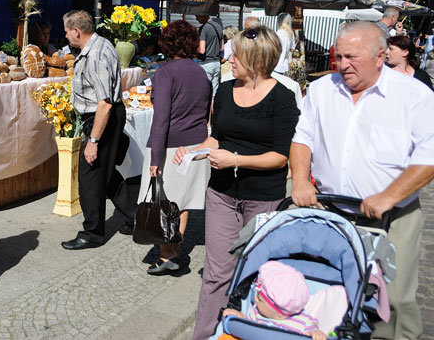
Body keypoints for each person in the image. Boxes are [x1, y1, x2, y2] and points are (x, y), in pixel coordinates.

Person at [290, 21, 434, 340]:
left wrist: (389, 196)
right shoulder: (322, 89)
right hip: (334, 211)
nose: (342, 65)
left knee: (394, 300)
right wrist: (300, 180)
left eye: (351, 57)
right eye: (338, 56)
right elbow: (303, 138)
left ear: (381, 56)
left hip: (395, 217)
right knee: (333, 289)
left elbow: (429, 157)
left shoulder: (413, 95)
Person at [174, 25, 300, 339]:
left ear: (258, 61)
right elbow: (217, 137)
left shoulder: (283, 98)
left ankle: (248, 330)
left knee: (256, 270)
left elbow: (281, 156)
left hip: (263, 197)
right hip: (221, 194)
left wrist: (237, 160)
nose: (229, 60)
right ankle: (204, 335)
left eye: (237, 56)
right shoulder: (225, 91)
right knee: (216, 273)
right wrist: (195, 150)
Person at [140, 20, 211, 275]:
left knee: (163, 202)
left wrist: (155, 158)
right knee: (181, 203)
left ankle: (168, 255)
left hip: (169, 145)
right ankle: (174, 252)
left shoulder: (165, 72)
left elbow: (161, 119)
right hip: (194, 144)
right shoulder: (200, 72)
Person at [61, 10, 135, 250]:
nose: (66, 36)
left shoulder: (96, 55)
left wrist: (93, 140)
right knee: (106, 171)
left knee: (90, 174)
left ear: (76, 31)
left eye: (66, 31)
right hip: (104, 115)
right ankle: (135, 216)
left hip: (102, 117)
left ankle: (92, 233)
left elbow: (104, 102)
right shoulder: (100, 44)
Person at [222, 261, 326, 340]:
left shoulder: (304, 322)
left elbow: (313, 332)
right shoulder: (257, 312)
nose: (255, 299)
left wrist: (316, 333)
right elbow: (247, 325)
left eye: (259, 299)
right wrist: (238, 316)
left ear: (280, 313)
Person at [197, 15, 224, 96]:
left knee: (204, 93)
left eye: (197, 16)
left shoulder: (204, 28)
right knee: (214, 93)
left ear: (203, 15)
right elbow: (221, 48)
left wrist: (191, 48)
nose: (196, 18)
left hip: (205, 63)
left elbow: (202, 50)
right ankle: (213, 108)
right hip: (216, 63)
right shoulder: (219, 26)